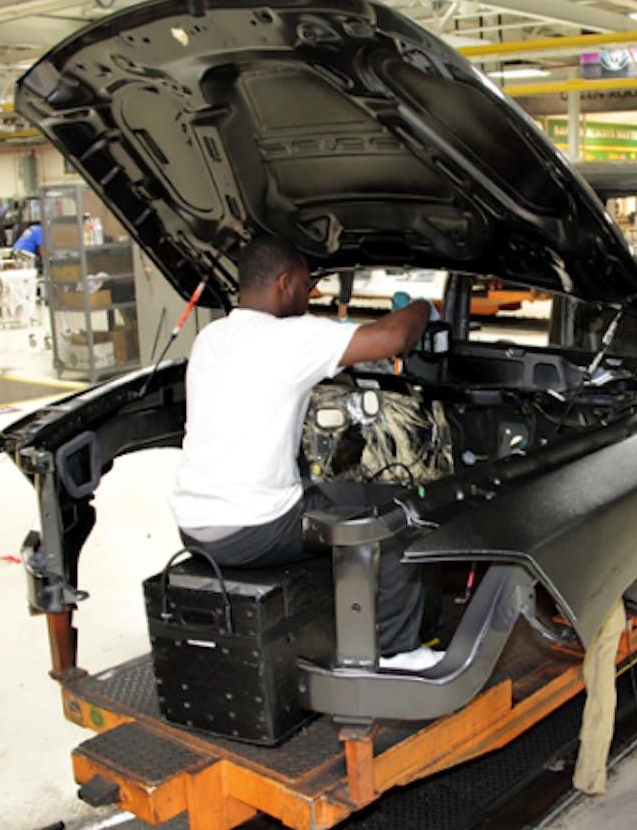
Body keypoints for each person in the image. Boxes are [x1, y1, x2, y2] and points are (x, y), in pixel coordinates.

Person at [169, 236, 441, 671]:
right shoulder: (290, 338)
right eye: (305, 283)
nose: (308, 293)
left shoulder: (211, 336)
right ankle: (397, 650)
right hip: (254, 529)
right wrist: (426, 307)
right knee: (401, 513)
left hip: (194, 528)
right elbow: (394, 336)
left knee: (331, 493)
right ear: (284, 282)